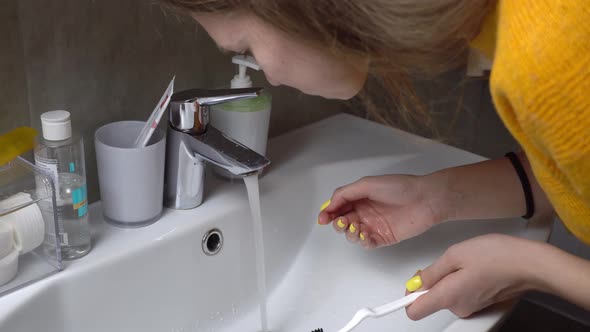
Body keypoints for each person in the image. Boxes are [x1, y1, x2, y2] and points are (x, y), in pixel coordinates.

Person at [159, 0, 590, 321]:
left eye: (246, 46)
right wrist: (436, 197)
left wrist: (525, 266)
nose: (267, 74)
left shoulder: (547, 60)